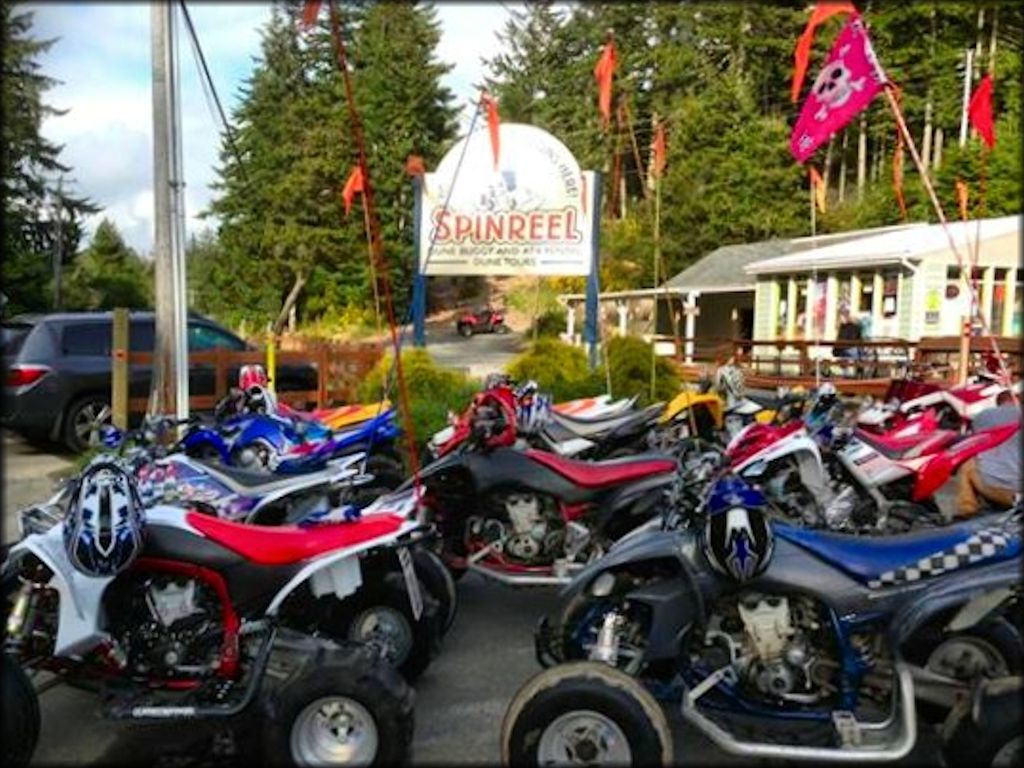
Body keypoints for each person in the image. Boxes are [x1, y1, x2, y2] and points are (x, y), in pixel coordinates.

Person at [957, 390, 1022, 516]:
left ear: (998, 403)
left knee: (967, 463)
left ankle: (968, 509)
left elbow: (974, 444)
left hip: (993, 488)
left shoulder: (982, 416)